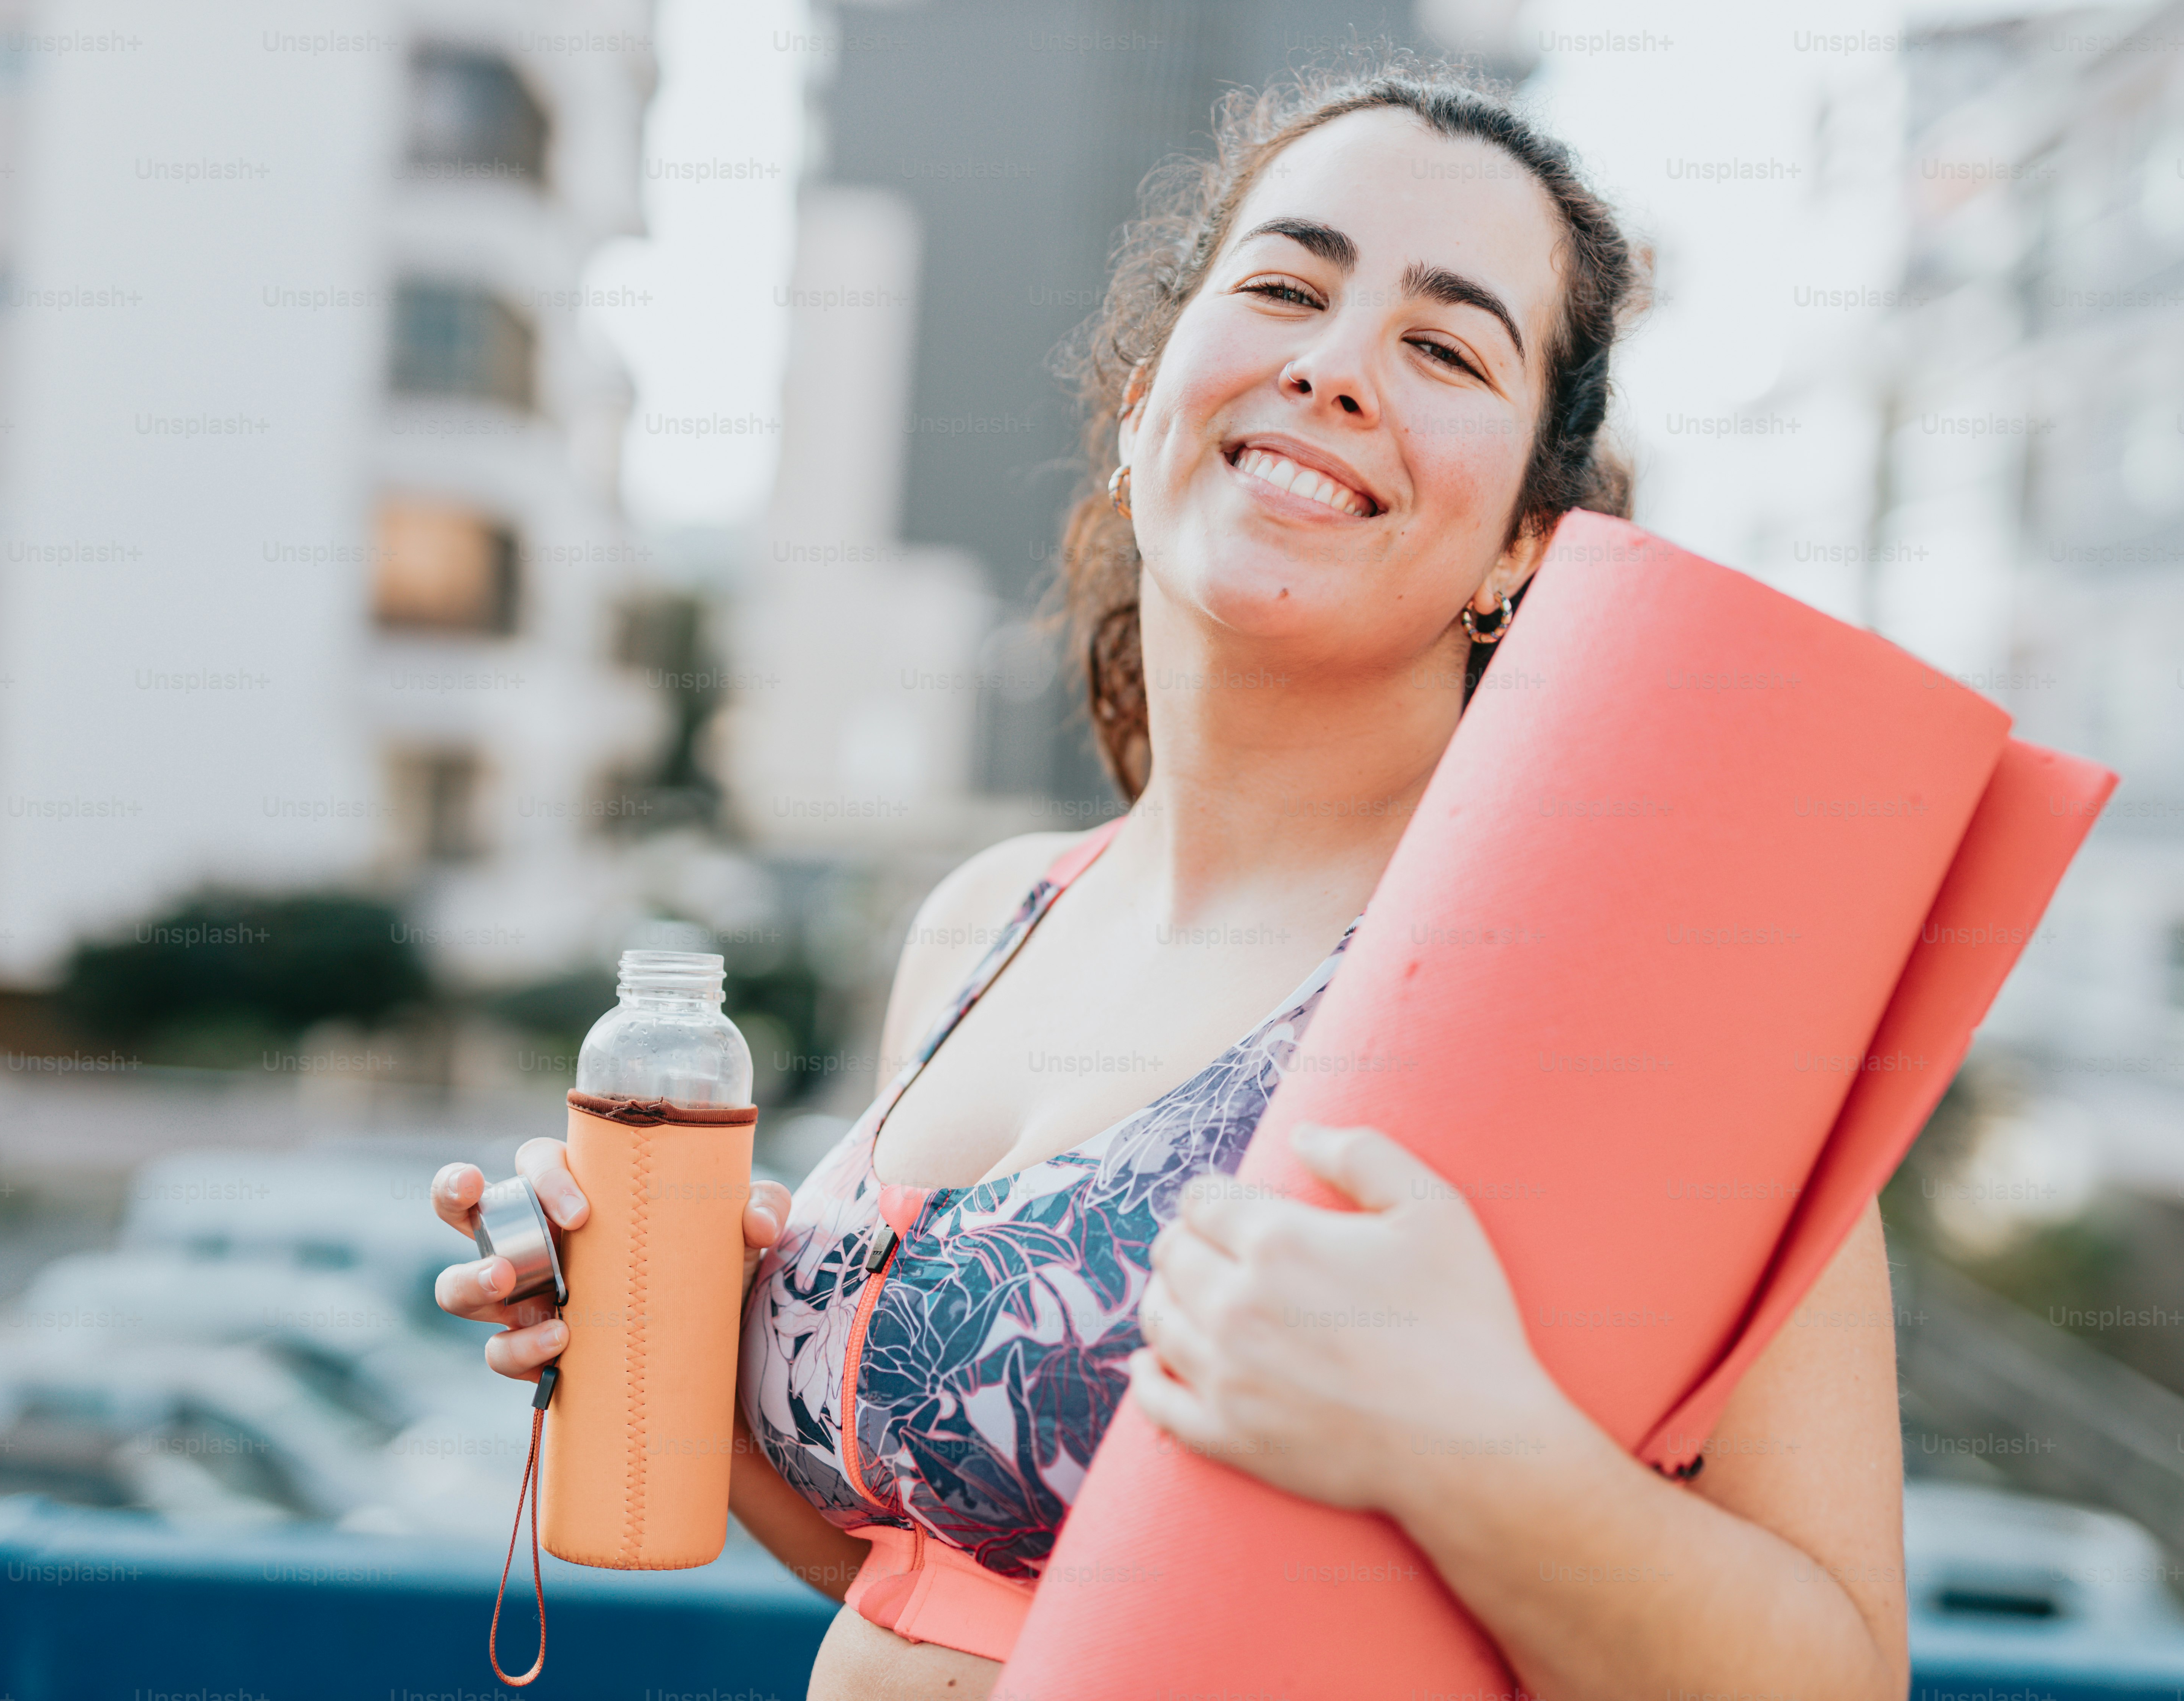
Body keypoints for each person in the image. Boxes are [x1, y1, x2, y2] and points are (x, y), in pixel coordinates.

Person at [431, 55, 1909, 1701]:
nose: (1333, 368)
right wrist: (651, 1346)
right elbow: (951, 1579)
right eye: (1285, 285)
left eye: (1439, 346)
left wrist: (1477, 1447)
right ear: (1145, 400)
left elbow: (1838, 1679)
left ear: (1527, 549)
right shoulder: (990, 919)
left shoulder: (1612, 990)